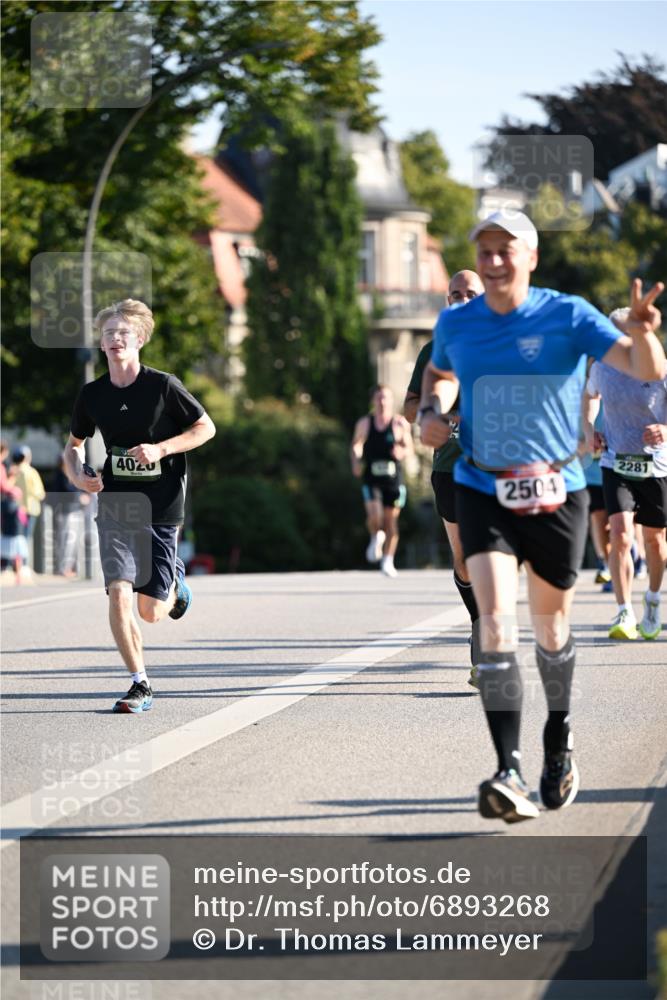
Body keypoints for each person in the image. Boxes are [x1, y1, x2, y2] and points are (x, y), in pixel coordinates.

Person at [419, 209, 664, 823]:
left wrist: (643, 332)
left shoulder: (568, 313)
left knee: (551, 632)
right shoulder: (458, 320)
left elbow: (647, 369)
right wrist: (433, 408)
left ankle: (559, 737)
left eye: (507, 251)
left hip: (555, 488)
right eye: (486, 251)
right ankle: (508, 768)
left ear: (530, 256)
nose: (495, 261)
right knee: (497, 623)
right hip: (481, 484)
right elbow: (441, 372)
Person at [64, 299, 215, 713]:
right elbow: (73, 446)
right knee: (118, 593)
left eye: (123, 333)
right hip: (115, 505)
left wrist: (162, 448)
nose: (115, 340)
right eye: (108, 333)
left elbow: (206, 427)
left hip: (162, 506)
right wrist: (79, 475)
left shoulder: (163, 386)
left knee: (150, 612)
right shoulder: (92, 394)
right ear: (101, 342)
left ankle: (175, 585)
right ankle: (140, 684)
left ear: (140, 339)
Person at [404, 270, 485, 686]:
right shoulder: (434, 349)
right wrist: (433, 418)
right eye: (455, 294)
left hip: (498, 466)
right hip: (449, 467)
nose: (463, 299)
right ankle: (480, 622)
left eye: (471, 293)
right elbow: (411, 404)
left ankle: (488, 641)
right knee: (465, 556)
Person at [582, 306, 667, 641]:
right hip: (615, 462)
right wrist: (590, 429)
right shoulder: (602, 367)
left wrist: (664, 428)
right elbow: (589, 397)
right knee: (619, 534)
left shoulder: (659, 369)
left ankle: (653, 600)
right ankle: (624, 610)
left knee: (655, 542)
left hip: (657, 465)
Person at [350, 385, 413, 577]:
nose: (382, 402)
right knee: (375, 516)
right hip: (372, 477)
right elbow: (356, 444)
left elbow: (409, 448)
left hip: (393, 480)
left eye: (386, 398)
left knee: (391, 522)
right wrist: (356, 459)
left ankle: (387, 560)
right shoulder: (365, 423)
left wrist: (401, 452)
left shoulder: (400, 423)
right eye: (379, 398)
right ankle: (375, 536)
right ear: (373, 401)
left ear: (392, 401)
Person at [51, 453, 91, 578]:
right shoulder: (60, 476)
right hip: (65, 512)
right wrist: (80, 497)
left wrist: (84, 495)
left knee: (74, 541)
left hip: (76, 511)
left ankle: (69, 567)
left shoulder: (73, 475)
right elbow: (67, 492)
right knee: (65, 540)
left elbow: (81, 488)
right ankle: (63, 568)